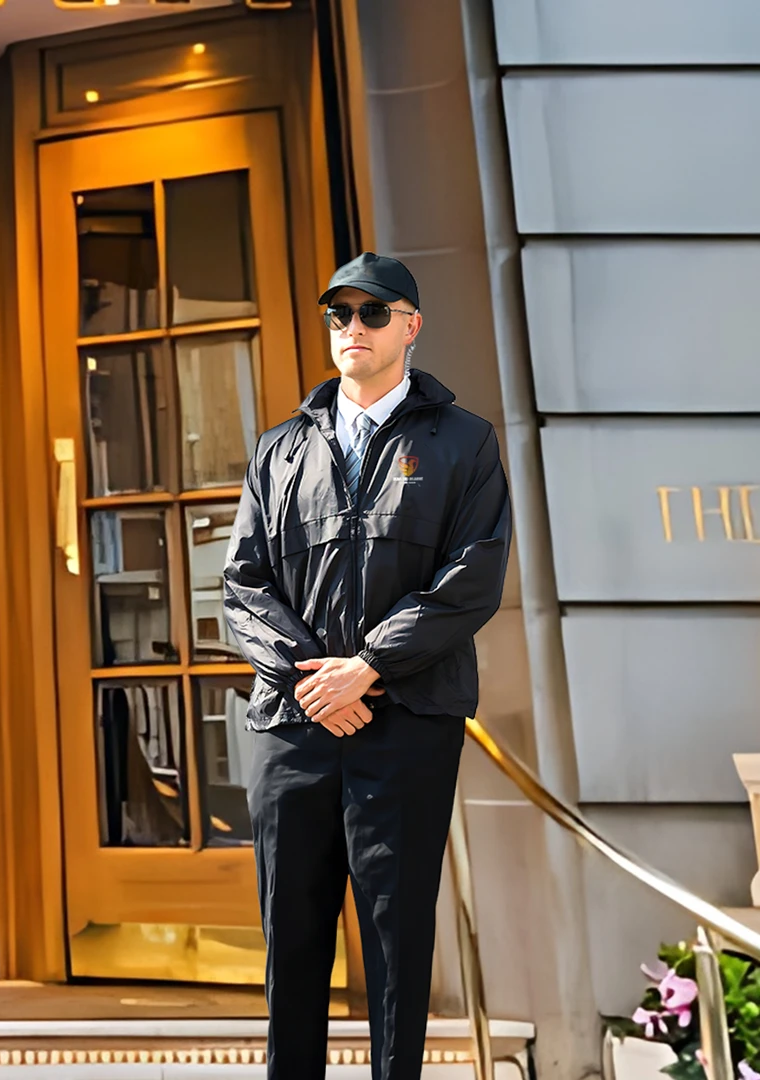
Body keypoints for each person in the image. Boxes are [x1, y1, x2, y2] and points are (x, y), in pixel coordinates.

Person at [223, 252, 513, 1079]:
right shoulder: (280, 449)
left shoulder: (464, 444)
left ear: (410, 327)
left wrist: (369, 669)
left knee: (396, 936)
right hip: (294, 727)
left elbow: (472, 579)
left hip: (406, 723)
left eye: (372, 313)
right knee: (293, 938)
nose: (353, 328)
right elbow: (242, 588)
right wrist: (315, 679)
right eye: (338, 315)